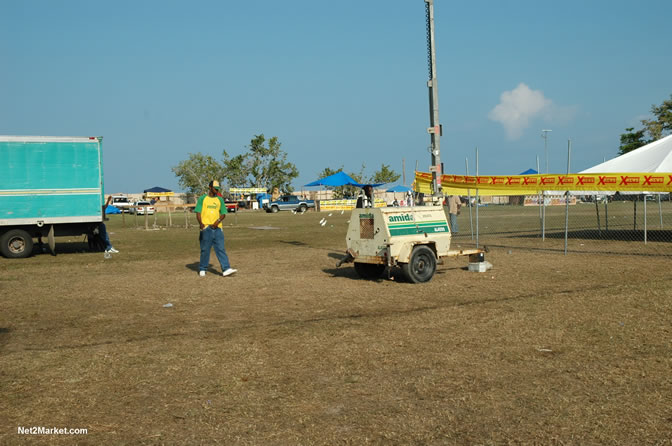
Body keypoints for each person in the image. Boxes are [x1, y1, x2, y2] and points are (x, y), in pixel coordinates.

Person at [195, 180, 237, 277]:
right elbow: (198, 212)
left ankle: (226, 269)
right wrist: (201, 224)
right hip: (206, 228)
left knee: (221, 249)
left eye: (218, 189)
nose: (216, 190)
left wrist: (217, 222)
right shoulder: (203, 199)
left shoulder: (220, 199)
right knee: (205, 249)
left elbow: (223, 213)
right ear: (210, 187)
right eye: (215, 188)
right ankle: (202, 268)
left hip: (217, 228)